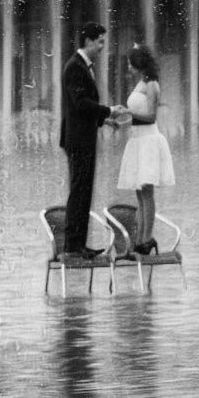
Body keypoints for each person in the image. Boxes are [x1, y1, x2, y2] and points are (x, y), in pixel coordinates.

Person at [59, 22, 128, 258]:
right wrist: (108, 111)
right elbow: (80, 104)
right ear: (88, 41)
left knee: (84, 191)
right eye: (100, 42)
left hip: (83, 137)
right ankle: (71, 247)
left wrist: (105, 121)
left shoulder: (82, 66)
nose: (102, 47)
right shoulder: (75, 67)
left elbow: (81, 109)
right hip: (78, 141)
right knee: (79, 191)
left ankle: (79, 245)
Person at [115, 45, 176, 254]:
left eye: (131, 64)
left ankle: (146, 239)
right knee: (140, 194)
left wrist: (127, 111)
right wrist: (120, 123)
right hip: (138, 140)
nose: (129, 68)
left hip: (149, 141)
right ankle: (139, 240)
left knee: (147, 193)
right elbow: (137, 118)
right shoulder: (140, 83)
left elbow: (150, 116)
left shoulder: (152, 85)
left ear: (139, 65)